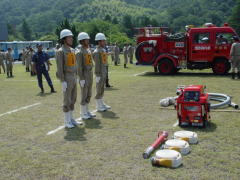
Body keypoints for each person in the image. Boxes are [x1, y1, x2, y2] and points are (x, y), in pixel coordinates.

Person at [56, 29, 81, 128]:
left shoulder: (72, 50)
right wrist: (62, 81)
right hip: (66, 77)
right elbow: (60, 68)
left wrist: (77, 76)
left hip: (73, 76)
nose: (71, 39)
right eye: (69, 37)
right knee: (67, 100)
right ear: (64, 39)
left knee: (73, 98)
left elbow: (75, 64)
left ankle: (71, 118)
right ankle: (67, 121)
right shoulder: (60, 51)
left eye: (71, 37)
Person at [76, 32, 96, 119]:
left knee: (89, 93)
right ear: (82, 41)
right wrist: (81, 78)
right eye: (86, 39)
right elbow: (79, 66)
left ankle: (87, 111)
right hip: (84, 74)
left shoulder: (87, 50)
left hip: (89, 73)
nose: (88, 41)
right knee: (84, 94)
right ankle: (83, 112)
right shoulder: (79, 52)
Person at [93, 33, 111, 111]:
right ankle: (98, 105)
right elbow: (97, 65)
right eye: (103, 41)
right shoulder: (97, 52)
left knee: (102, 89)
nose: (105, 42)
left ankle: (101, 103)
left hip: (103, 71)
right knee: (99, 89)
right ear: (99, 42)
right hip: (99, 73)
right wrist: (97, 75)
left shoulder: (103, 50)